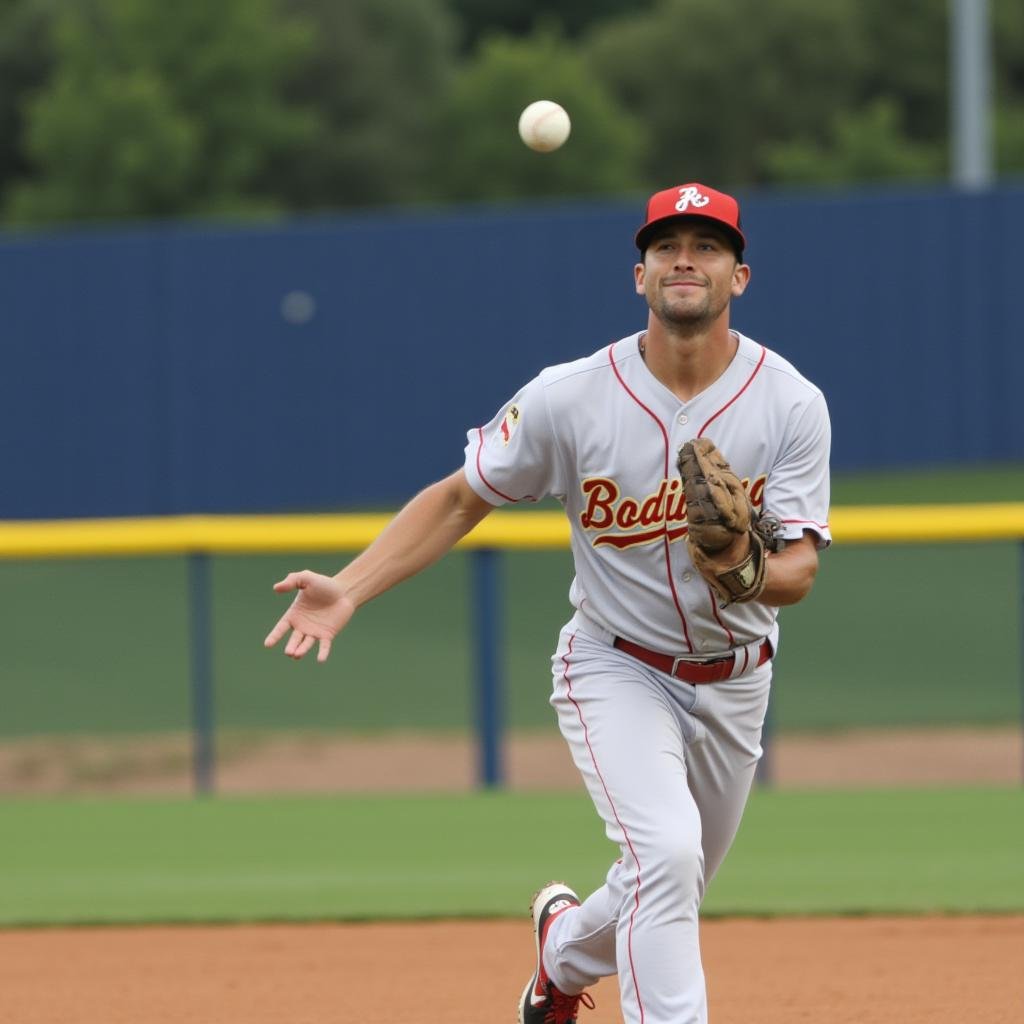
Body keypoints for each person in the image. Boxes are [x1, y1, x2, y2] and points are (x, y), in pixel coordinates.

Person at [264, 182, 831, 1024]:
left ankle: (561, 952)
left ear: (739, 277)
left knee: (664, 880)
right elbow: (461, 498)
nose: (685, 258)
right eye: (666, 245)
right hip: (617, 667)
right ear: (637, 275)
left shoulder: (789, 402)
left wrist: (745, 570)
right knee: (667, 859)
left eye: (707, 246)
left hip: (738, 679)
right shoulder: (571, 397)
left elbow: (798, 573)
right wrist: (350, 585)